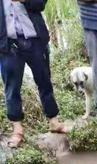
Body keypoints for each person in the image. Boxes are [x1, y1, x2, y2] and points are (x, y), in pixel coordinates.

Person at [0, 0, 66, 148]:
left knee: (44, 82)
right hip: (8, 45)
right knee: (11, 88)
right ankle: (17, 130)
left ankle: (54, 122)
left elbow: (41, 3)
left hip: (35, 39)